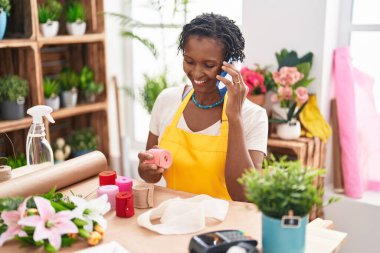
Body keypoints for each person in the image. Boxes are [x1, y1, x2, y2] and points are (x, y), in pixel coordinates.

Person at [137, 13, 268, 201]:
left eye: (209, 65)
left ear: (230, 65)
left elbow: (244, 196)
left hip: (224, 226)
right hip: (173, 216)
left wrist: (235, 118)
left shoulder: (253, 116)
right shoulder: (167, 100)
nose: (197, 72)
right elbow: (152, 174)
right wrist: (146, 170)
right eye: (189, 61)